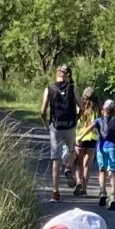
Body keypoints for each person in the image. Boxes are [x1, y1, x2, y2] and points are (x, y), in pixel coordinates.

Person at [41, 65, 78, 202]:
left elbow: (42, 111)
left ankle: (55, 193)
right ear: (68, 76)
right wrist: (76, 119)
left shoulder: (49, 88)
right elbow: (81, 107)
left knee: (56, 160)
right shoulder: (73, 88)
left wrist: (47, 125)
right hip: (70, 126)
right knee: (72, 150)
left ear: (57, 74)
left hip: (55, 127)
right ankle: (68, 167)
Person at [92, 98, 115, 208]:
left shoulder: (98, 120)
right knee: (112, 171)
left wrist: (80, 137)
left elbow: (89, 128)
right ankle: (113, 196)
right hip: (114, 148)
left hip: (101, 148)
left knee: (102, 170)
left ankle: (102, 191)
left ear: (103, 110)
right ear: (114, 110)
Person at [74, 88, 100, 194]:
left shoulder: (79, 106)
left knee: (78, 163)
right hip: (92, 138)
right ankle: (84, 189)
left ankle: (78, 181)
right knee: (86, 165)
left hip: (80, 137)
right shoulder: (97, 109)